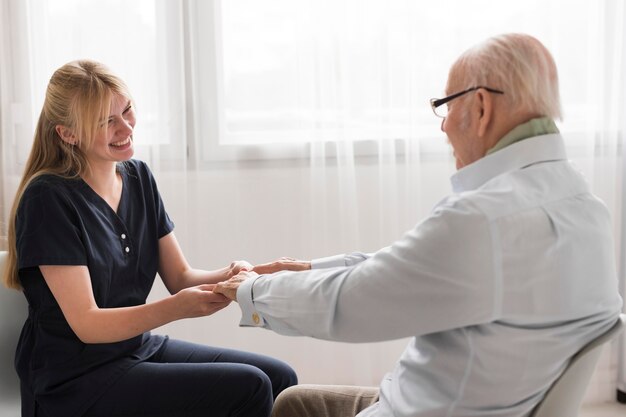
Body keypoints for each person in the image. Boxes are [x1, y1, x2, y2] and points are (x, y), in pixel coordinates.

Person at [214, 33, 624, 417]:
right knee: (294, 402)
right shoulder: (585, 208)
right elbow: (414, 269)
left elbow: (351, 303)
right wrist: (309, 269)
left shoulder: (483, 220)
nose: (443, 125)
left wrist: (251, 289)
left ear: (481, 108)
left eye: (445, 106)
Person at [2, 60, 297, 417]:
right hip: (73, 376)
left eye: (126, 110)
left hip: (134, 349)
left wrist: (245, 275)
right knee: (250, 387)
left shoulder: (139, 177)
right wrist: (177, 310)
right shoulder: (47, 198)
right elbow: (87, 323)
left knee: (280, 378)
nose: (125, 127)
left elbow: (180, 279)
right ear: (68, 134)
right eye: (105, 121)